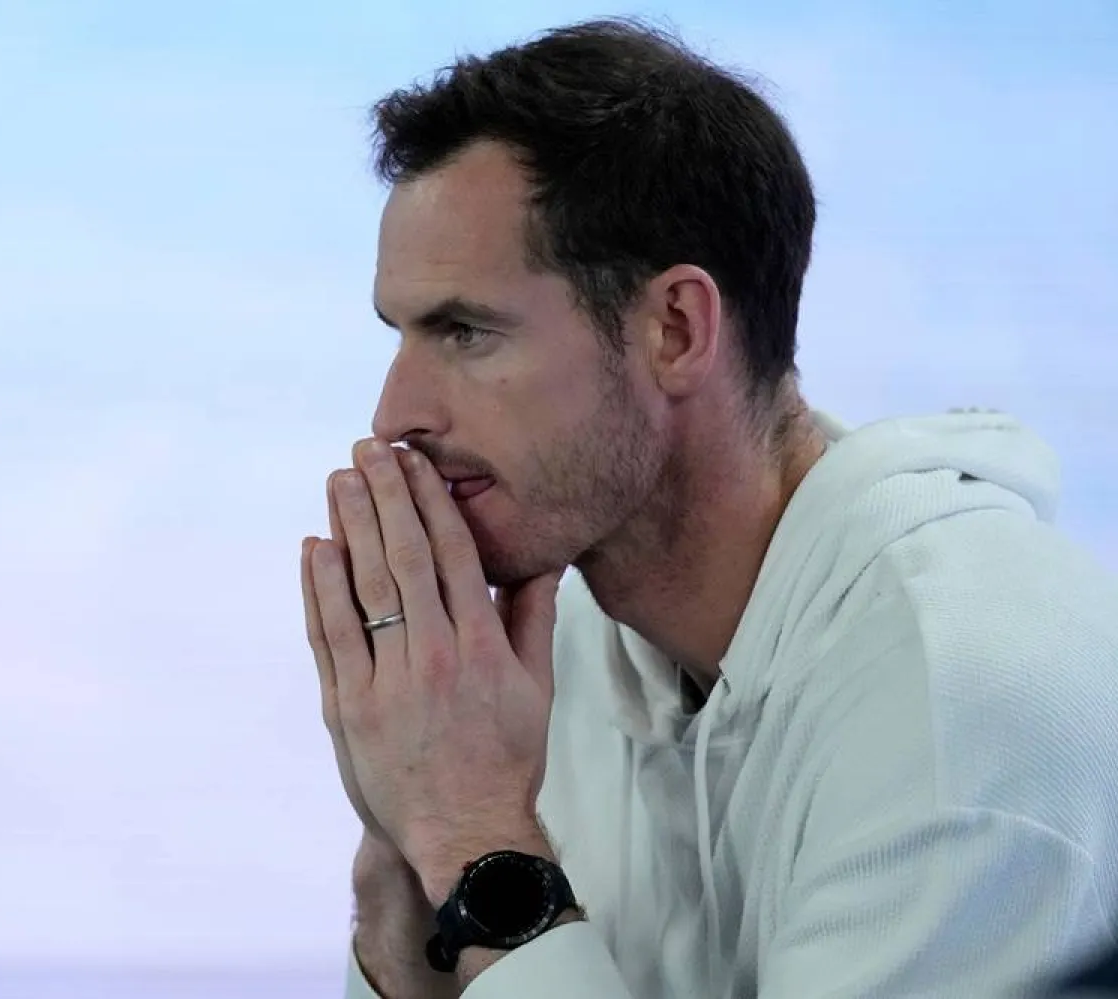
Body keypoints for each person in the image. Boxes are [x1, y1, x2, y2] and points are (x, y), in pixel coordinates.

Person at [298, 17, 1118, 999]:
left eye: (465, 331)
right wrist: (403, 857)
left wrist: (477, 838)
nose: (394, 414)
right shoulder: (551, 660)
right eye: (400, 335)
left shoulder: (961, 699)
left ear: (676, 330)